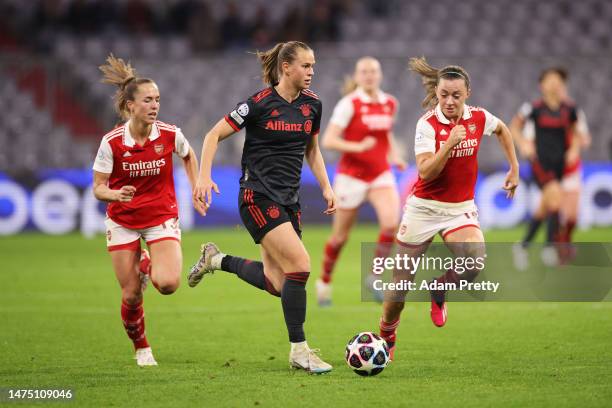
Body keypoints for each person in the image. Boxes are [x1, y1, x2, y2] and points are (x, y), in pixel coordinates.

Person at [189, 41, 336, 374]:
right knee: (300, 265)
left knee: (279, 283)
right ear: (286, 67)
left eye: (313, 66)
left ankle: (216, 260)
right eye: (306, 66)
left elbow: (311, 149)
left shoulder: (313, 105)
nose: (312, 72)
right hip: (256, 197)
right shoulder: (258, 104)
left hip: (289, 200)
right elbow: (213, 135)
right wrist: (203, 176)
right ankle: (300, 351)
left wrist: (327, 187)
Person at [377, 57, 519, 360]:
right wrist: (450, 143)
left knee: (475, 263)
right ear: (437, 94)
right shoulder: (427, 124)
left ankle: (439, 289)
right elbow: (426, 172)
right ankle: (387, 332)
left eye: (456, 95)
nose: (450, 101)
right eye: (444, 95)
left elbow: (503, 130)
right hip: (423, 209)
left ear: (467, 92)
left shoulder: (478, 117)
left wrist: (514, 168)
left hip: (459, 209)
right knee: (398, 291)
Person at [93, 54, 204, 366]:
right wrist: (116, 193)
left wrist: (196, 186)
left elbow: (188, 154)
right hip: (123, 221)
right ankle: (142, 347)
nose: (154, 106)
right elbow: (98, 187)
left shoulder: (168, 133)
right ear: (131, 105)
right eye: (147, 100)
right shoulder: (112, 142)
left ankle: (145, 264)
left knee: (168, 284)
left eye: (157, 100)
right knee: (130, 295)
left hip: (160, 217)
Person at [316, 57, 406, 306]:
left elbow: (385, 133)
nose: (369, 75)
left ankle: (374, 277)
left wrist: (395, 155)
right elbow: (329, 141)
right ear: (357, 76)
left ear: (380, 75)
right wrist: (358, 146)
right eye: (364, 72)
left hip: (380, 173)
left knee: (391, 224)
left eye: (373, 71)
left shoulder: (390, 103)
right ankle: (324, 282)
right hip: (351, 178)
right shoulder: (349, 104)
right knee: (339, 238)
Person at [510, 67, 583, 267]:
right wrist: (523, 143)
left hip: (559, 164)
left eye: (557, 79)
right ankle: (550, 247)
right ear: (541, 85)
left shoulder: (569, 109)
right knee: (556, 199)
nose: (553, 83)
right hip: (540, 163)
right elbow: (514, 127)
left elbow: (577, 133)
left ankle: (523, 246)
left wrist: (574, 149)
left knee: (545, 207)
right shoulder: (533, 108)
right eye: (549, 79)